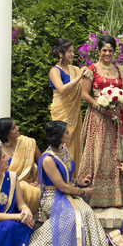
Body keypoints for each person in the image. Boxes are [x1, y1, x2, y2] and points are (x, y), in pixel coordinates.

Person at [20, 121, 110, 246]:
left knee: (87, 213)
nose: (69, 134)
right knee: (79, 214)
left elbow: (67, 180)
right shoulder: (48, 159)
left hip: (67, 194)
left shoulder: (64, 150)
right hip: (52, 197)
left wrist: (79, 182)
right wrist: (83, 192)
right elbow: (61, 186)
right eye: (66, 132)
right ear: (58, 136)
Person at [78, 34, 123, 208]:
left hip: (117, 117)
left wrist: (120, 106)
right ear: (98, 51)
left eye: (110, 50)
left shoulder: (121, 69)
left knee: (115, 152)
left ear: (114, 52)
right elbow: (84, 94)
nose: (107, 53)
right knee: (98, 151)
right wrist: (101, 108)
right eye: (104, 50)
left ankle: (118, 196)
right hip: (98, 117)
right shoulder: (91, 69)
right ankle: (95, 195)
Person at [49, 38, 87, 177]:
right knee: (62, 142)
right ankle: (59, 177)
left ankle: (74, 177)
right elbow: (61, 89)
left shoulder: (74, 69)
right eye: (69, 51)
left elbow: (84, 89)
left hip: (74, 113)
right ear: (60, 53)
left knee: (74, 142)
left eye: (73, 51)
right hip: (62, 112)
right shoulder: (55, 70)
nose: (72, 54)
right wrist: (78, 78)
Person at [0, 117, 41, 214]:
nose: (18, 128)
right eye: (13, 128)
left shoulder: (29, 143)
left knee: (24, 187)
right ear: (6, 133)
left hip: (30, 186)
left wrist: (36, 181)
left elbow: (42, 165)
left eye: (16, 126)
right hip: (9, 187)